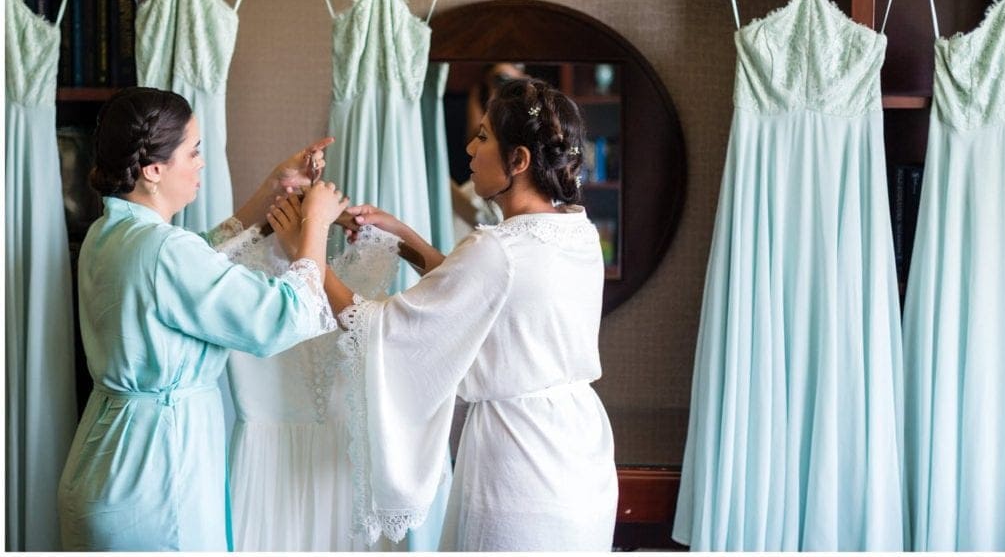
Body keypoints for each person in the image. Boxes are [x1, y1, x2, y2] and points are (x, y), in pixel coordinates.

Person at [268, 77, 618, 551]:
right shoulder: (576, 231)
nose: (470, 148)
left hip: (519, 463)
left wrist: (307, 254)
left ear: (518, 161)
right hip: (582, 454)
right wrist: (400, 236)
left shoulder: (497, 249)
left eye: (483, 137)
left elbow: (379, 329)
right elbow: (480, 295)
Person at [56, 87, 349, 551]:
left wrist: (275, 187)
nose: (201, 163)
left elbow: (201, 263)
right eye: (193, 151)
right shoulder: (161, 249)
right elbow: (280, 317)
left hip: (109, 458)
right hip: (154, 473)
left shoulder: (110, 231)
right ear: (154, 170)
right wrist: (316, 224)